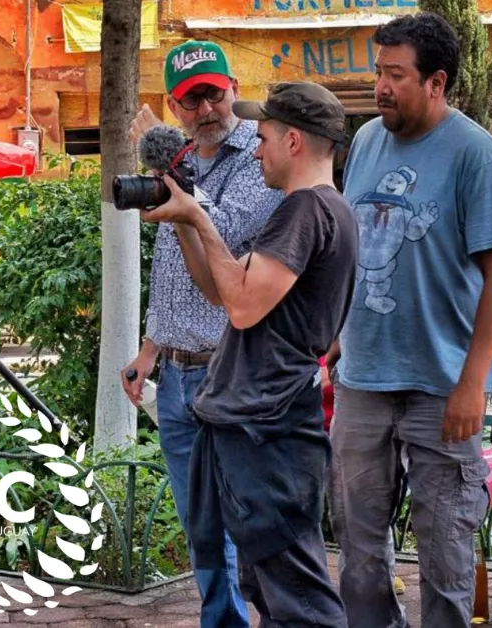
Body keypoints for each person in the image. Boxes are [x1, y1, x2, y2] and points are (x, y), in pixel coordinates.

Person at [327, 12, 492, 627]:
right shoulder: (365, 141)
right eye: (378, 72)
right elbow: (356, 246)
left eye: (395, 75)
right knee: (358, 550)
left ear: (436, 82)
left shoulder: (476, 155)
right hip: (363, 380)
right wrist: (338, 334)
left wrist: (473, 382)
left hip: (441, 386)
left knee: (445, 553)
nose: (380, 87)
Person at [141, 80, 357, 627]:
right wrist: (186, 220)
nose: (256, 150)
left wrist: (200, 219)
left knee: (301, 600)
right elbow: (222, 288)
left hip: (271, 429)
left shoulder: (306, 210)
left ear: (293, 142)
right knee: (270, 589)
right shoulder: (320, 210)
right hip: (263, 424)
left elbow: (238, 307)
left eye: (263, 138)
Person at [122, 39, 283, 627]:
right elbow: (172, 267)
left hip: (232, 366)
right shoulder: (181, 159)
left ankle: (281, 615)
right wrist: (149, 349)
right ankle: (222, 620)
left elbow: (228, 227)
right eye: (191, 100)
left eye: (214, 94)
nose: (206, 110)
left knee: (250, 511)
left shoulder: (260, 153)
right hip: (176, 373)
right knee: (199, 520)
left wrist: (170, 167)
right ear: (175, 105)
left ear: (234, 89)